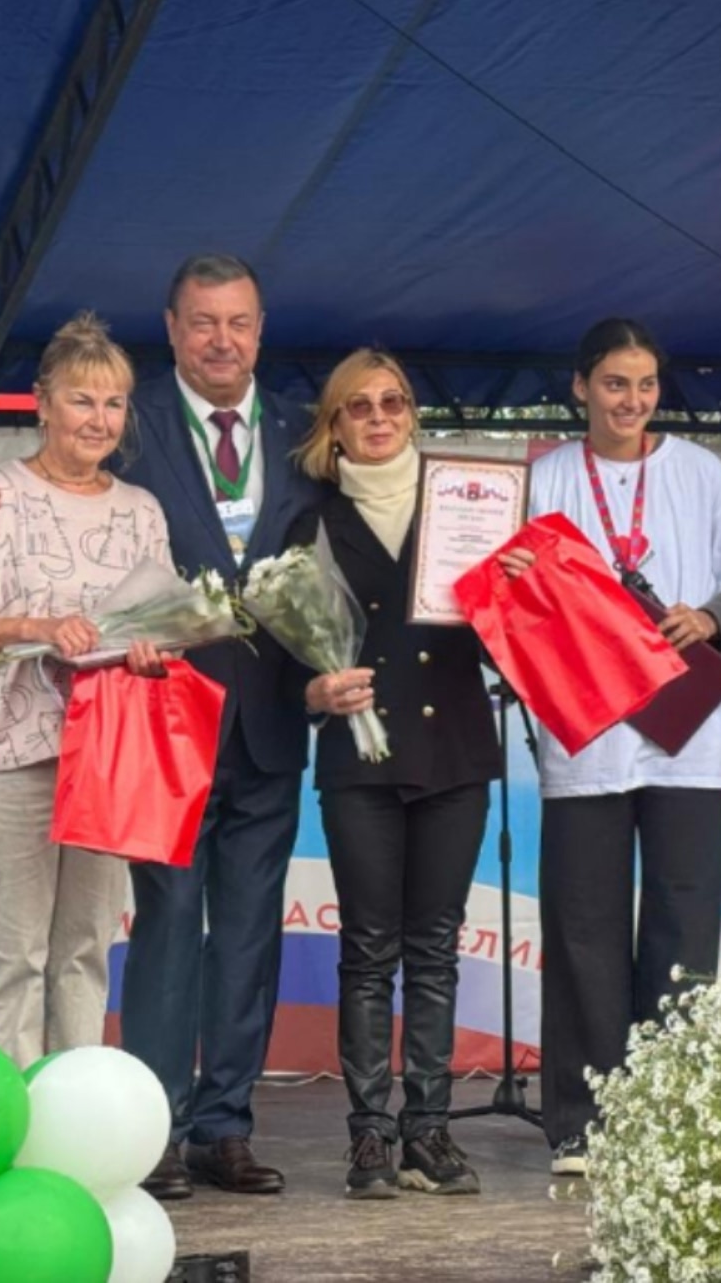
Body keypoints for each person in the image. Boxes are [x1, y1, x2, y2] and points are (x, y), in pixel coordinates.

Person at [0, 255, 323, 1197]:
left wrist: (159, 644)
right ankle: (80, 1135)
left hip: (167, 738)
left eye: (238, 321)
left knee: (124, 949)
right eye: (202, 321)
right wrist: (22, 606)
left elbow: (169, 607)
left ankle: (158, 1130)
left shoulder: (280, 441)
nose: (99, 418)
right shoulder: (64, 461)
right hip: (51, 746)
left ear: (261, 329)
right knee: (78, 945)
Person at [499, 317, 721, 1177]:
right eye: (615, 383)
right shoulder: (544, 479)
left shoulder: (700, 473)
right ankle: (583, 1123)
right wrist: (509, 585)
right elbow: (509, 609)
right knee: (583, 926)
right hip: (587, 734)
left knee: (683, 925)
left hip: (688, 734)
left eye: (646, 384)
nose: (631, 400)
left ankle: (671, 1119)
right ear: (581, 386)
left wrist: (712, 619)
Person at [0, 311, 169, 1069]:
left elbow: (157, 625)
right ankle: (19, 1115)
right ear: (42, 402)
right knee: (14, 956)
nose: (99, 419)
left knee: (85, 952)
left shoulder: (141, 511)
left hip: (107, 756)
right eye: (82, 399)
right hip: (11, 752)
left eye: (114, 403)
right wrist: (38, 626)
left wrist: (154, 653)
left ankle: (74, 1112)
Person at [291, 350, 501, 1199]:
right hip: (360, 756)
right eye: (360, 406)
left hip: (453, 747)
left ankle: (430, 1130)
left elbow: (504, 642)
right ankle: (371, 1134)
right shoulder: (308, 522)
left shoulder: (469, 507)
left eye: (394, 402)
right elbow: (281, 656)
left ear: (413, 413)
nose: (379, 417)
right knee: (370, 948)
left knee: (436, 947)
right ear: (334, 426)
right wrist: (314, 691)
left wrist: (515, 592)